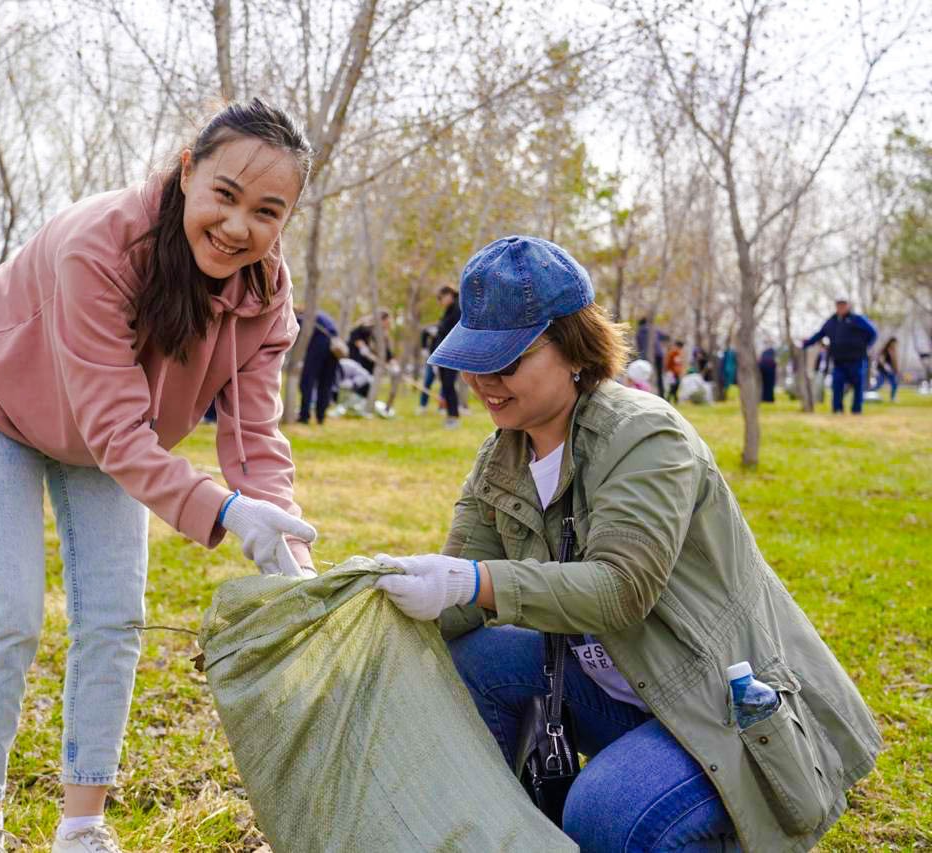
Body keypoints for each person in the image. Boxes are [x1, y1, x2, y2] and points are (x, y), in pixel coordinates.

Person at [373, 235, 879, 853]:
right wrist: (367, 596)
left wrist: (472, 583)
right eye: (473, 360)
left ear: (575, 350)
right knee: (472, 661)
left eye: (505, 362)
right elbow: (456, 594)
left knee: (606, 812)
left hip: (717, 703)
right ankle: (515, 832)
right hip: (624, 688)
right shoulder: (502, 456)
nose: (484, 382)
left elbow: (620, 589)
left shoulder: (644, 436)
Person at [0, 99, 320, 853]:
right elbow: (113, 429)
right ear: (187, 170)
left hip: (111, 438)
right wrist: (222, 511)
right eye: (226, 195)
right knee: (9, 611)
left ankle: (81, 823)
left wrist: (288, 552)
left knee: (114, 618)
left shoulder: (263, 294)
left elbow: (255, 435)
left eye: (267, 211)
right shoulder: (100, 245)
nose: (239, 225)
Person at [802, 298, 877, 414]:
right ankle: (837, 409)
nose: (841, 307)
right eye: (839, 305)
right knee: (837, 385)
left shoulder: (857, 319)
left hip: (856, 359)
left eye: (843, 305)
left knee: (858, 386)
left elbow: (873, 332)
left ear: (848, 306)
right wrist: (806, 344)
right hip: (839, 360)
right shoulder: (831, 322)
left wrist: (864, 345)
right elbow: (819, 334)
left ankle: (856, 410)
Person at [296, 308, 341, 424]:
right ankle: (321, 417)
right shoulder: (322, 314)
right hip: (334, 348)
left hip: (318, 345)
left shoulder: (301, 317)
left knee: (307, 381)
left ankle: (304, 415)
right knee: (326, 384)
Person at [433, 285, 461, 427]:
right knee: (445, 385)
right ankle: (450, 415)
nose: (440, 302)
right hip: (443, 353)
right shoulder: (448, 311)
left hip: (451, 353)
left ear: (449, 294)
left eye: (440, 298)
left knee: (449, 384)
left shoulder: (457, 309)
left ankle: (454, 416)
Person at [346, 309, 392, 375]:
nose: (387, 325)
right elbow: (355, 338)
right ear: (380, 320)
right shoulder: (364, 328)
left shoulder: (384, 337)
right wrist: (364, 348)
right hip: (355, 362)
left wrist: (393, 364)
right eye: (386, 322)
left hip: (369, 368)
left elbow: (388, 354)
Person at [635, 317, 667, 397]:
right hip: (659, 354)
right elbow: (665, 337)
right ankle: (662, 395)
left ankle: (647, 394)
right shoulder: (654, 329)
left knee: (646, 375)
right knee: (659, 376)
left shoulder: (639, 332)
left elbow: (639, 347)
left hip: (647, 356)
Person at [417, 321, 440, 414]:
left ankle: (442, 407)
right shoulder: (438, 327)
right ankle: (423, 406)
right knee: (427, 382)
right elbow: (424, 332)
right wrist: (423, 348)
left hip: (446, 360)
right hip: (432, 359)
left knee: (446, 385)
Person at [872, 336, 899, 402]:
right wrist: (886, 367)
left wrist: (896, 370)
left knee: (894, 384)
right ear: (891, 342)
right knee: (878, 384)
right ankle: (869, 395)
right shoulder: (885, 350)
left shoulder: (894, 351)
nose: (895, 345)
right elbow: (881, 359)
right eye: (894, 343)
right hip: (883, 371)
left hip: (891, 371)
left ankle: (892, 398)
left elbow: (894, 361)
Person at [664, 339, 684, 403]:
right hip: (672, 372)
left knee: (676, 386)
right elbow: (669, 363)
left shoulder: (679, 353)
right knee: (673, 386)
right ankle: (670, 399)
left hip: (676, 373)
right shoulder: (673, 353)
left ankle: (674, 399)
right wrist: (669, 371)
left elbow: (679, 364)